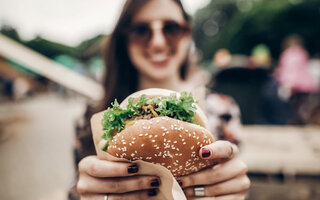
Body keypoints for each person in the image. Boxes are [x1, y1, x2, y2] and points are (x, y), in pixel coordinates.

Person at [71, 0, 250, 199]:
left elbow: (235, 183)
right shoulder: (88, 118)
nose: (158, 42)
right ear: (124, 39)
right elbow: (75, 189)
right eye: (141, 30)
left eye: (171, 28)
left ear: (187, 34)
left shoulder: (223, 110)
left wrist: (233, 188)